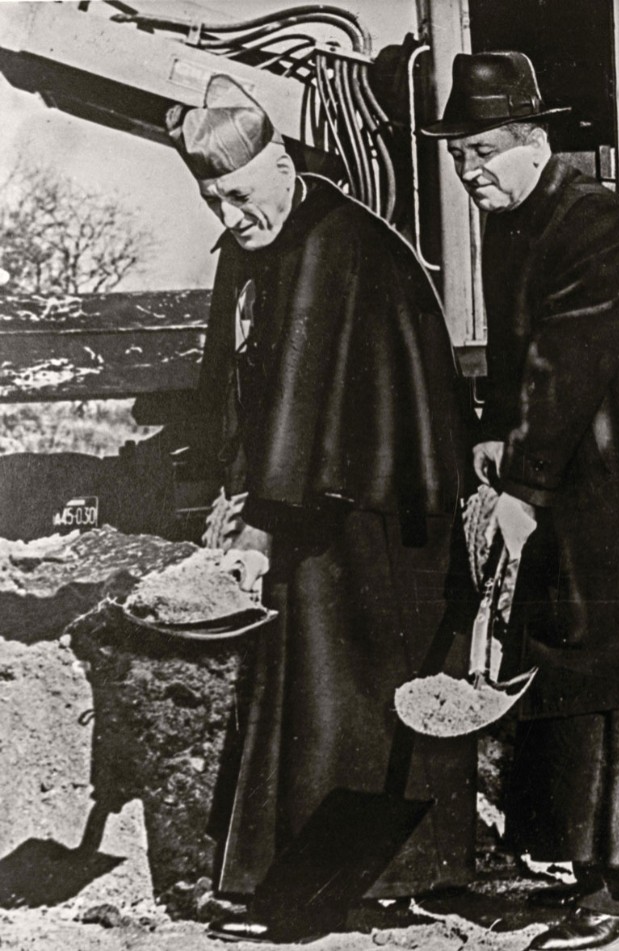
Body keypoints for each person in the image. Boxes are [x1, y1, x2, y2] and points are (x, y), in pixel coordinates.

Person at [168, 75, 477, 943]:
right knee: (308, 696)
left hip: (381, 510)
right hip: (314, 499)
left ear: (278, 162)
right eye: (212, 199)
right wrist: (230, 495)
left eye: (237, 192)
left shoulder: (334, 239)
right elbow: (238, 384)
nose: (229, 214)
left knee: (355, 699)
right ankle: (298, 880)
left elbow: (306, 396)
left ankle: (357, 886)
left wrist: (259, 526)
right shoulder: (260, 239)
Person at [421, 52, 619, 951]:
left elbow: (570, 366)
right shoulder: (529, 226)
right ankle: (599, 873)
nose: (468, 173)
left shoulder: (593, 224)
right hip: (584, 496)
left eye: (482, 153)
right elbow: (528, 363)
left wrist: (522, 484)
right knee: (581, 683)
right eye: (459, 157)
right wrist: (491, 429)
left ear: (535, 142)